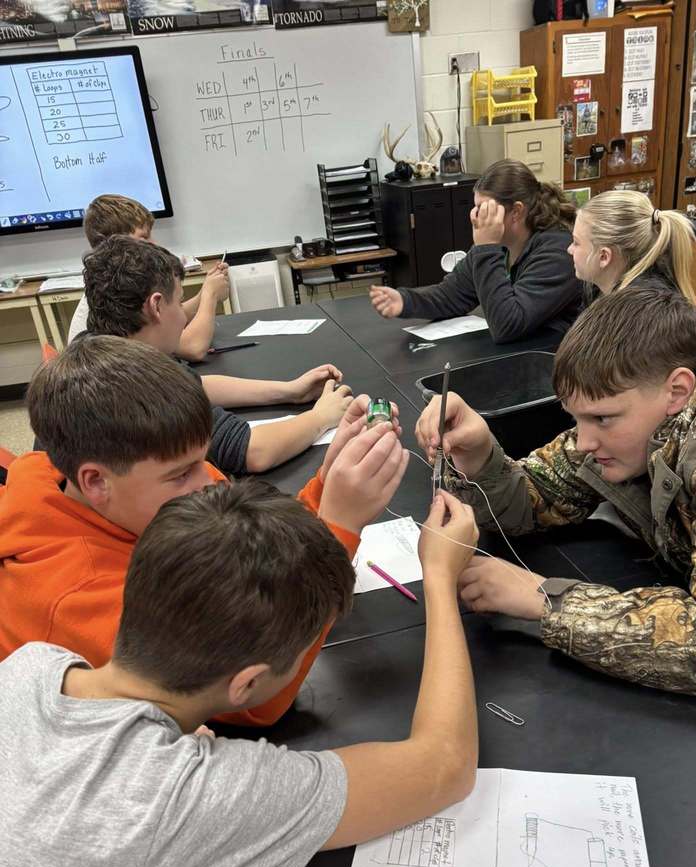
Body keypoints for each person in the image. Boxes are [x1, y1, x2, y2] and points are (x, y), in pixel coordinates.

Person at [0, 477, 479, 867]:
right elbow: (445, 763)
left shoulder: (31, 666)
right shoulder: (195, 800)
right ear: (246, 684)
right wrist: (441, 577)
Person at [0, 335, 409, 726]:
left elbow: (249, 550)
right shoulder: (73, 596)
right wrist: (340, 527)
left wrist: (329, 478)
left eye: (201, 460)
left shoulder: (127, 490)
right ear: (95, 482)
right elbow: (248, 698)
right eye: (180, 474)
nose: (208, 481)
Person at [415, 286, 696, 699]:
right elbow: (537, 495)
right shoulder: (640, 410)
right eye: (577, 419)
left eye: (601, 418)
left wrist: (549, 600)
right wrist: (479, 455)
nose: (583, 441)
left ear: (677, 391)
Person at [83, 235, 353, 474]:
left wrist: (289, 391)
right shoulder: (140, 384)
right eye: (178, 302)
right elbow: (253, 452)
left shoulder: (97, 347)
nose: (182, 314)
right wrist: (321, 418)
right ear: (156, 306)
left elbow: (195, 386)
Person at [369, 159, 582, 346]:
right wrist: (405, 301)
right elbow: (452, 295)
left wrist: (486, 247)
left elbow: (507, 325)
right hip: (520, 355)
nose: (475, 216)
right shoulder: (499, 243)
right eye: (476, 207)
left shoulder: (559, 251)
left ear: (516, 211)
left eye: (484, 209)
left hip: (556, 361)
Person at [67, 193, 229, 359]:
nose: (154, 244)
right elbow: (193, 348)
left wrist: (203, 295)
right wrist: (210, 296)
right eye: (144, 237)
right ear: (115, 243)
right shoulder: (116, 297)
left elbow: (164, 319)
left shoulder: (111, 285)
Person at [567, 191, 696, 302]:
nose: (569, 249)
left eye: (576, 242)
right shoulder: (599, 294)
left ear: (604, 257)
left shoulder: (642, 319)